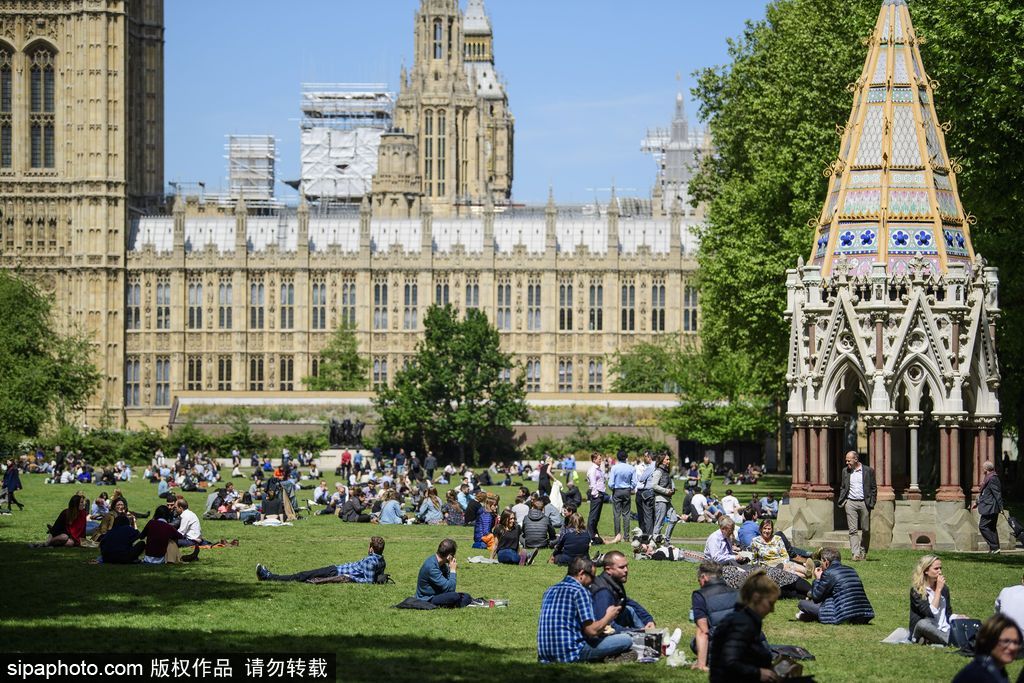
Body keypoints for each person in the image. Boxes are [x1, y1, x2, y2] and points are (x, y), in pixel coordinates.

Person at [537, 556, 633, 663]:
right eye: (592, 577)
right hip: (571, 654)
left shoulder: (550, 590)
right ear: (581, 574)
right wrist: (608, 616)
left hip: (544, 654)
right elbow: (591, 631)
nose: (593, 581)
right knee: (626, 639)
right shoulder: (580, 591)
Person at [708, 570, 781, 683]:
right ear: (756, 598)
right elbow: (730, 662)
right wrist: (758, 673)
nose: (772, 610)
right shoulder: (741, 623)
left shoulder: (745, 620)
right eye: (770, 604)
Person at [257, 536, 386, 583]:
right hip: (336, 570)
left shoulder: (370, 561)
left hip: (336, 572)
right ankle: (270, 576)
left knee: (302, 575)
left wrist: (350, 577)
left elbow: (368, 581)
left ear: (371, 548)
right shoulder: (381, 560)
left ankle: (269, 577)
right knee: (305, 576)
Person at [797, 547, 874, 624]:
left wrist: (817, 579)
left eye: (822, 562)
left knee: (802, 604)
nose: (821, 565)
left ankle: (808, 616)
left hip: (844, 615)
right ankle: (809, 617)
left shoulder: (828, 573)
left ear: (826, 562)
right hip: (864, 614)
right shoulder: (851, 570)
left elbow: (816, 597)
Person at [691, 561, 740, 672]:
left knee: (694, 643)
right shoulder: (737, 593)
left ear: (704, 577)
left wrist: (701, 664)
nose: (699, 583)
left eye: (699, 580)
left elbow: (703, 631)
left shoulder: (700, 595)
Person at [589, 551, 655, 632]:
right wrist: (635, 631)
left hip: (615, 620)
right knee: (627, 639)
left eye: (626, 566)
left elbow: (627, 601)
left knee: (629, 610)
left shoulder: (613, 582)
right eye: (621, 567)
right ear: (608, 569)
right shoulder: (603, 592)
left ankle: (649, 633)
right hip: (601, 634)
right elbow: (607, 626)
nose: (626, 570)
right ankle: (646, 636)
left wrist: (648, 620)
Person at [951, 613, 1021, 683]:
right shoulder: (978, 675)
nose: (1012, 647)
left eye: (1016, 642)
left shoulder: (997, 670)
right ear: (988, 640)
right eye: (1006, 641)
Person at [416, 539, 481, 608]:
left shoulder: (442, 564)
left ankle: (458, 603)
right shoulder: (431, 567)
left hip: (439, 593)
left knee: (465, 596)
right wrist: (452, 570)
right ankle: (457, 603)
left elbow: (448, 584)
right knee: (455, 596)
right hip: (427, 598)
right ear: (449, 556)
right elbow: (451, 589)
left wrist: (449, 569)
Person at [909, 554, 958, 645]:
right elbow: (930, 613)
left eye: (940, 568)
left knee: (967, 622)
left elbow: (947, 613)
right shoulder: (917, 590)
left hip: (943, 628)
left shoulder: (944, 589)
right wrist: (938, 591)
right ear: (926, 571)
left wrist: (957, 617)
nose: (940, 572)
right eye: (936, 569)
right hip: (925, 628)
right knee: (922, 624)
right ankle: (953, 641)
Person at [837, 450, 876, 560]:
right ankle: (855, 553)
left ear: (856, 459)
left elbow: (873, 488)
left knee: (866, 529)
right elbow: (843, 487)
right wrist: (845, 501)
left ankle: (863, 551)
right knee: (852, 530)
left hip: (864, 502)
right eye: (846, 461)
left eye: (849, 461)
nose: (847, 463)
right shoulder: (846, 471)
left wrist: (872, 502)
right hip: (850, 503)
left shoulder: (868, 471)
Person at [974, 460, 1003, 553]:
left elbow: (997, 494)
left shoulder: (992, 478)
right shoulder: (988, 478)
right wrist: (977, 502)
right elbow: (985, 493)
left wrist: (1001, 507)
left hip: (991, 507)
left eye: (983, 467)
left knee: (983, 526)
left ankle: (994, 546)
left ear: (986, 469)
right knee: (991, 528)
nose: (982, 469)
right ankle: (995, 549)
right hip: (989, 506)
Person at [608, 450, 635, 544]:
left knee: (616, 514)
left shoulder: (614, 468)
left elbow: (610, 483)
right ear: (626, 457)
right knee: (626, 514)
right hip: (627, 490)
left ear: (617, 457)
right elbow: (634, 482)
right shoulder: (631, 468)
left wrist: (613, 489)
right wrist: (630, 488)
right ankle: (626, 537)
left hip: (617, 490)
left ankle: (617, 535)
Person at [651, 453, 674, 533]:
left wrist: (672, 490)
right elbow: (654, 485)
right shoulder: (658, 471)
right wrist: (666, 491)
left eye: (669, 459)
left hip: (667, 499)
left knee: (673, 519)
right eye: (667, 459)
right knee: (659, 522)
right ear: (661, 461)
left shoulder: (666, 471)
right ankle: (654, 541)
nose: (669, 461)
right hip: (660, 500)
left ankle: (666, 540)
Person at [633, 452, 656, 535]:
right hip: (640, 491)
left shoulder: (651, 467)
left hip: (647, 492)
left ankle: (648, 534)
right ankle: (644, 532)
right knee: (642, 515)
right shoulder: (638, 467)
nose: (644, 458)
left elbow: (641, 478)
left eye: (646, 456)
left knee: (648, 515)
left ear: (649, 457)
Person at [586, 453, 607, 544]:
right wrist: (596, 494)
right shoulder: (593, 470)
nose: (600, 460)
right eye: (599, 459)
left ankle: (594, 533)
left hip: (600, 493)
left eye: (600, 459)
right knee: (593, 516)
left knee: (596, 516)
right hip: (596, 494)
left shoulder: (599, 469)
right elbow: (593, 483)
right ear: (594, 460)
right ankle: (590, 536)